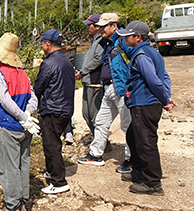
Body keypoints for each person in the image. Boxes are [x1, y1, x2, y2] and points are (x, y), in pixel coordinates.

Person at [0, 33, 39, 211]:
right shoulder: (22, 74)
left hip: (7, 126)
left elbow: (4, 100)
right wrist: (28, 116)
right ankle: (23, 203)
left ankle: (12, 207)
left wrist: (23, 116)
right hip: (23, 128)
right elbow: (33, 98)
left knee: (8, 167)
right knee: (23, 164)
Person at [118, 21, 176, 195]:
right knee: (133, 136)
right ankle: (138, 171)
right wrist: (166, 96)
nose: (125, 39)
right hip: (146, 103)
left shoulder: (141, 55)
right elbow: (164, 77)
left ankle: (153, 183)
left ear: (138, 37)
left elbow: (154, 80)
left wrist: (165, 99)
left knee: (146, 142)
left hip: (144, 104)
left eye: (128, 36)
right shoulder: (153, 52)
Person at [78, 13, 132, 173]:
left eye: (103, 26)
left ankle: (132, 159)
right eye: (99, 26)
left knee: (127, 124)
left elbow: (133, 61)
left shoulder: (123, 42)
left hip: (121, 88)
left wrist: (130, 84)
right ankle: (95, 155)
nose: (100, 29)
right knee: (101, 122)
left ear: (114, 26)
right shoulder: (107, 42)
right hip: (108, 87)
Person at [34, 30, 75, 194]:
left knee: (51, 146)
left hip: (53, 109)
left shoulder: (49, 63)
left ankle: (59, 182)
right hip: (65, 109)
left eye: (43, 43)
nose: (42, 46)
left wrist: (31, 103)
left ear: (47, 44)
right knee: (54, 142)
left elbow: (39, 86)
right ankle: (52, 171)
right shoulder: (66, 60)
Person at [75, 13, 105, 137]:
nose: (88, 28)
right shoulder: (95, 41)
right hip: (88, 82)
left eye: (90, 25)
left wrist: (83, 72)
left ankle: (102, 142)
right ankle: (98, 139)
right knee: (86, 114)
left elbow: (98, 59)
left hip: (95, 82)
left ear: (97, 26)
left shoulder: (101, 41)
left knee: (94, 115)